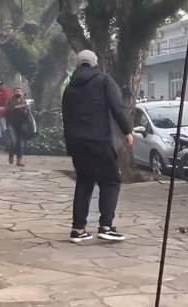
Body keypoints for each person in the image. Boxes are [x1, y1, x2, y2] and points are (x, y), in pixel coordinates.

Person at [62, 50, 133, 243]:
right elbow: (117, 107)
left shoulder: (70, 88)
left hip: (77, 142)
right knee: (111, 180)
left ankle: (78, 229)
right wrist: (127, 131)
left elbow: (66, 119)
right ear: (95, 63)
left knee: (84, 182)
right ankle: (106, 226)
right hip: (99, 140)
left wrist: (70, 144)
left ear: (78, 65)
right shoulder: (104, 81)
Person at [5, 87, 28, 166]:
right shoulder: (10, 101)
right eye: (17, 91)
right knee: (14, 141)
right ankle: (11, 154)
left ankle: (19, 160)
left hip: (21, 123)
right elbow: (7, 109)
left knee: (21, 142)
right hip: (11, 123)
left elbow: (26, 111)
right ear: (14, 92)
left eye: (20, 91)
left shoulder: (23, 101)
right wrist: (17, 107)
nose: (19, 92)